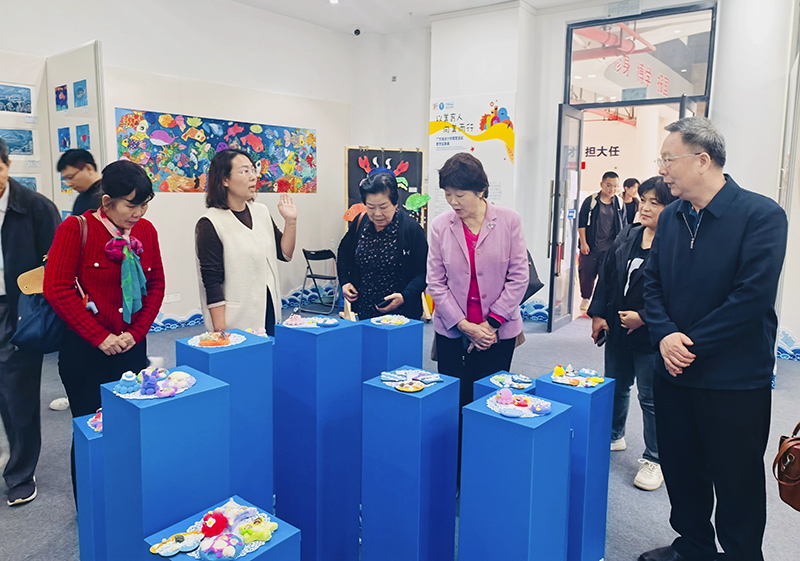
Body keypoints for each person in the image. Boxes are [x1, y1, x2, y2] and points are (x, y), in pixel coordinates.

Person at [640, 117, 787, 561]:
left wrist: (688, 344)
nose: (662, 169)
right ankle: (693, 547)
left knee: (737, 480)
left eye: (669, 159)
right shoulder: (672, 218)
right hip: (674, 372)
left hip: (734, 380)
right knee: (682, 471)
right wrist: (665, 336)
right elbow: (652, 283)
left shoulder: (761, 215)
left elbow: (751, 298)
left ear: (702, 160)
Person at [44, 159, 164, 497]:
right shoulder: (75, 229)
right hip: (85, 352)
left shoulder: (146, 231)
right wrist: (100, 337)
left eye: (144, 204)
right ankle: (91, 507)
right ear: (107, 202)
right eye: (131, 205)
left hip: (130, 348)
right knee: (90, 430)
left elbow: (156, 285)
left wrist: (135, 333)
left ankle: (127, 499)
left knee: (130, 425)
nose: (138, 213)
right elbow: (57, 289)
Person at [588, 176, 676, 492]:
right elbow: (608, 277)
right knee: (616, 385)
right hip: (618, 326)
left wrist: (645, 318)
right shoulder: (629, 234)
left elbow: (679, 296)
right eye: (644, 200)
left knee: (650, 397)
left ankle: (655, 458)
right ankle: (614, 435)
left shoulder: (677, 245)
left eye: (656, 202)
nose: (646, 207)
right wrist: (599, 314)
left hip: (652, 335)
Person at [427, 152, 528, 411]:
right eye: (448, 194)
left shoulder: (509, 221)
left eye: (460, 195)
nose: (453, 202)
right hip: (452, 330)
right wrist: (464, 326)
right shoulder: (440, 226)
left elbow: (519, 277)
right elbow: (435, 282)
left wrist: (491, 324)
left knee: (490, 403)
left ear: (481, 190)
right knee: (453, 402)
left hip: (498, 331)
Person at [0, 138, 60, 506]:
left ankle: (21, 473)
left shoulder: (36, 208)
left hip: (17, 308)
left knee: (17, 393)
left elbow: (56, 264)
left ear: (6, 165)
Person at [195, 149, 296, 336]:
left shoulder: (261, 211)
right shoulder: (211, 222)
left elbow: (285, 254)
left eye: (253, 170)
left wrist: (291, 222)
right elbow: (212, 281)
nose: (253, 177)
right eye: (244, 171)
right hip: (236, 318)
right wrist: (220, 330)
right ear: (224, 180)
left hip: (268, 309)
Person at [337, 169, 428, 320]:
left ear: (395, 203)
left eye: (384, 207)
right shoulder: (360, 222)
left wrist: (404, 296)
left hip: (402, 314)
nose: (377, 213)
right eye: (371, 207)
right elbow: (344, 253)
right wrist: (345, 282)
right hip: (365, 310)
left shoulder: (411, 229)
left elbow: (423, 272)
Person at [577, 171, 624, 311]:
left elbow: (624, 225)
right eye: (608, 185)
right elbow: (582, 223)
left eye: (615, 186)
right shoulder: (591, 201)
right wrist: (583, 242)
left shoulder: (619, 203)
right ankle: (586, 298)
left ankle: (601, 303)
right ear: (601, 184)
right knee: (587, 274)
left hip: (610, 248)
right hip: (591, 246)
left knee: (606, 277)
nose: (612, 189)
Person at [57, 149, 103, 217]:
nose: (69, 184)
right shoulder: (81, 199)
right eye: (66, 180)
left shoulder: (108, 197)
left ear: (89, 168)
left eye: (70, 177)